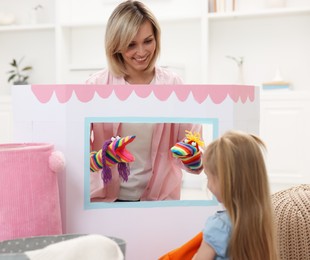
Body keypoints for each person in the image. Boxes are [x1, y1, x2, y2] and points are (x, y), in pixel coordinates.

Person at [86, 0, 203, 202]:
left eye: (148, 41)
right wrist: (100, 159)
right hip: (106, 199)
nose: (141, 52)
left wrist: (193, 157)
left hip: (159, 199)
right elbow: (78, 160)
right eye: (131, 44)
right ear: (116, 46)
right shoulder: (95, 86)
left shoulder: (174, 84)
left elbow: (194, 151)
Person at [193, 130, 279, 260]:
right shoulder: (263, 220)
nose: (208, 185)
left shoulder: (219, 226)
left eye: (208, 177)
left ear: (226, 181)